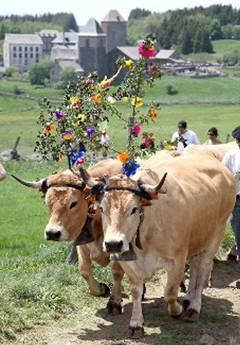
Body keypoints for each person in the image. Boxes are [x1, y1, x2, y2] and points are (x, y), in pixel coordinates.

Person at [222, 125, 240, 262]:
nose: (239, 142)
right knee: (237, 228)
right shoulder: (231, 155)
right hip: (237, 199)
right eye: (238, 140)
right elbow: (222, 175)